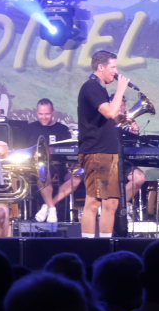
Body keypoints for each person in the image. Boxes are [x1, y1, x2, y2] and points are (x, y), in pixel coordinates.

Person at [77, 50, 131, 238]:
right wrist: (121, 89)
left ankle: (106, 244)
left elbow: (108, 117)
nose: (116, 72)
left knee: (111, 202)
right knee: (94, 202)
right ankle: (90, 246)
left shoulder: (99, 88)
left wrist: (120, 118)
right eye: (113, 67)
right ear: (101, 67)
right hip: (97, 152)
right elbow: (109, 112)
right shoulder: (91, 87)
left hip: (108, 152)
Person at [27, 98, 80, 223]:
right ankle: (51, 208)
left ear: (53, 112)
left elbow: (68, 152)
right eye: (41, 114)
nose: (44, 117)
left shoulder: (62, 129)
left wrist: (70, 169)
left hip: (60, 166)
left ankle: (49, 206)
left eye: (47, 114)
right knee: (43, 172)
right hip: (36, 167)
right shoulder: (30, 128)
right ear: (36, 112)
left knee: (77, 179)